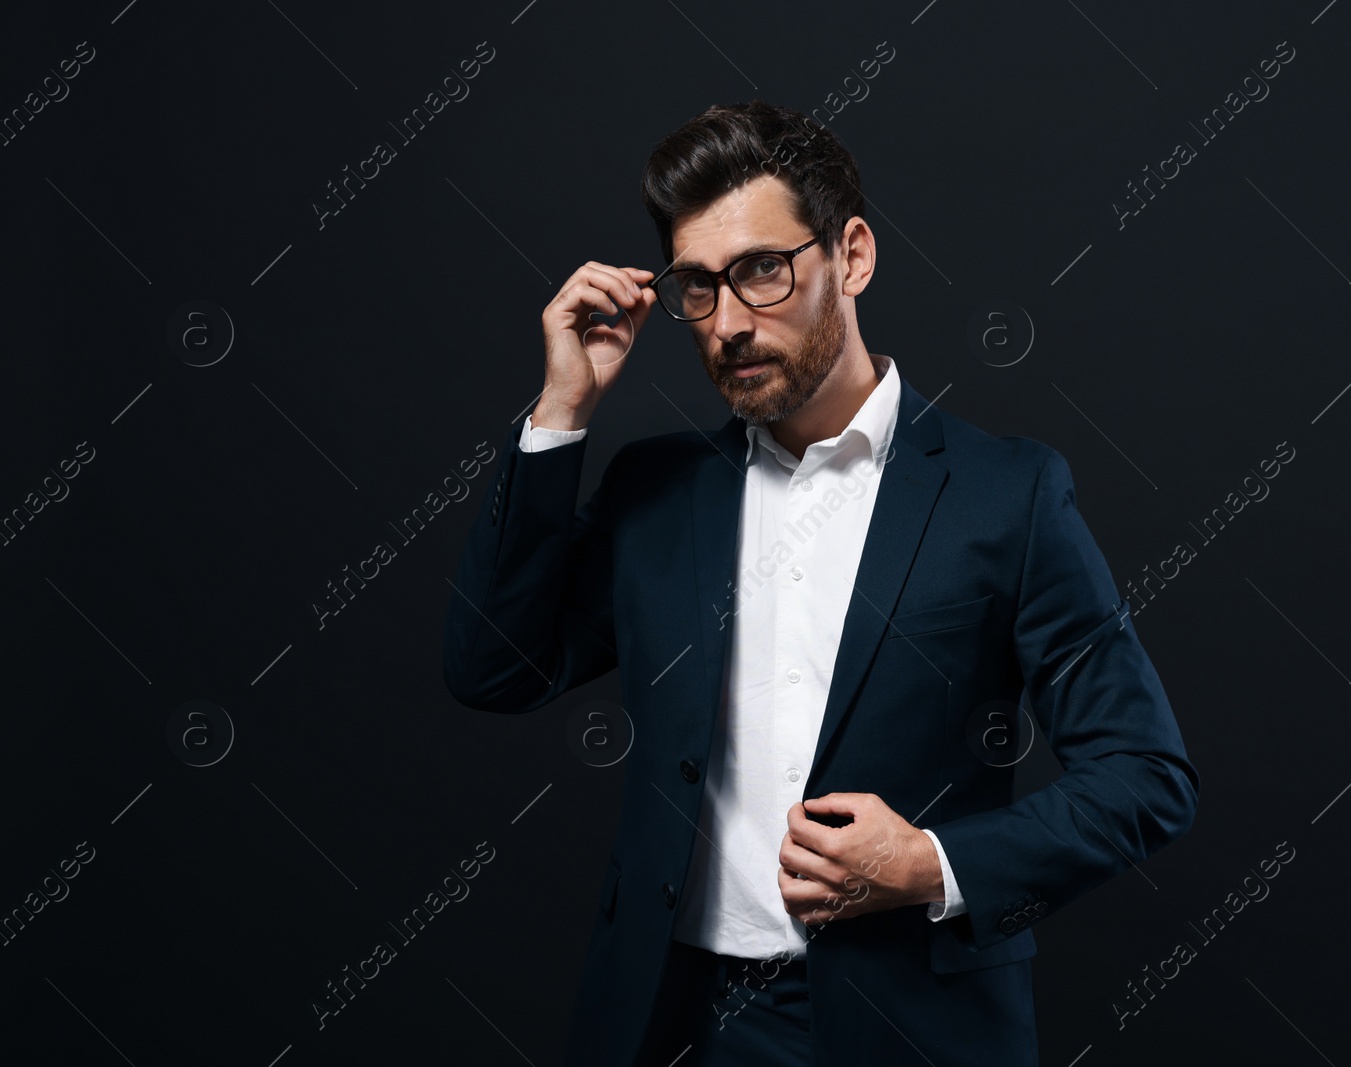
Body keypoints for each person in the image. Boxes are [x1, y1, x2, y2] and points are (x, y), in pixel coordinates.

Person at [442, 99, 1199, 1067]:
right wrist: (561, 410)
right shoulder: (657, 492)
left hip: (903, 1022)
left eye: (762, 270)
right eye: (699, 287)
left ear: (851, 254)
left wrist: (928, 862)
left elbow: (1145, 777)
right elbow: (491, 667)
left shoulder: (1007, 494)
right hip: (666, 1014)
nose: (727, 323)